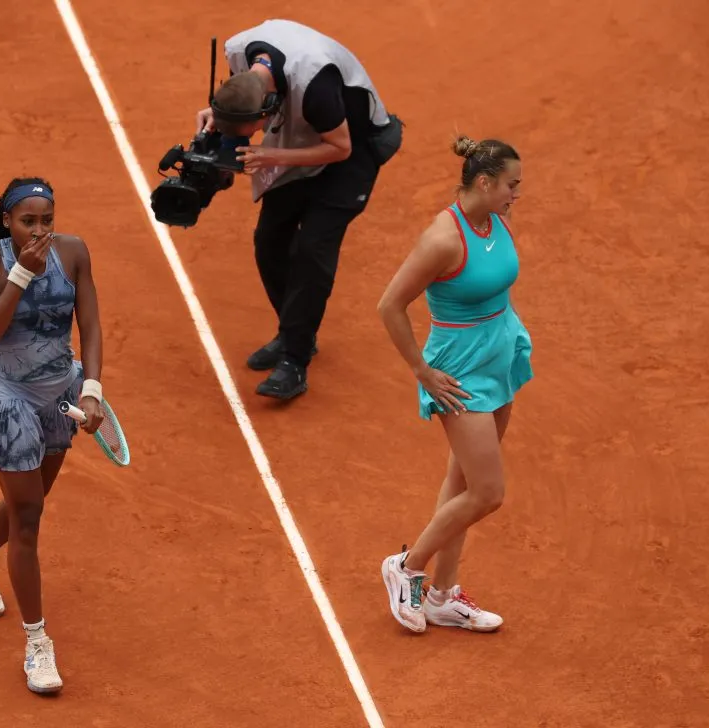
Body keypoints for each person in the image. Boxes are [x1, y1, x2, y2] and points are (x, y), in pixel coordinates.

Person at [0, 176, 105, 693]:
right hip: (10, 401)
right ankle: (38, 644)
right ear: (8, 220)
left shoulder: (75, 252)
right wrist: (19, 276)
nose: (38, 230)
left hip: (60, 397)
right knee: (30, 520)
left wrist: (94, 391)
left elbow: (92, 324)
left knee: (29, 502)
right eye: (27, 221)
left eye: (46, 220)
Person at [196, 18, 403, 400]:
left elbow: (340, 147)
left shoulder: (315, 84)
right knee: (269, 241)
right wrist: (217, 124)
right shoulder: (238, 53)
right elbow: (238, 107)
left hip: (352, 149)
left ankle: (294, 361)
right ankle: (296, 333)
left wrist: (271, 153)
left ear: (269, 109)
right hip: (299, 139)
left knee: (312, 249)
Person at [376, 135, 532, 633]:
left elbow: (494, 281)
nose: (516, 195)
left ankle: (443, 596)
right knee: (487, 492)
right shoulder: (443, 239)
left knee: (462, 481)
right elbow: (389, 306)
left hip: (499, 352)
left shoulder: (495, 219)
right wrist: (422, 371)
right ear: (484, 183)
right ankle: (406, 568)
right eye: (511, 185)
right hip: (459, 370)